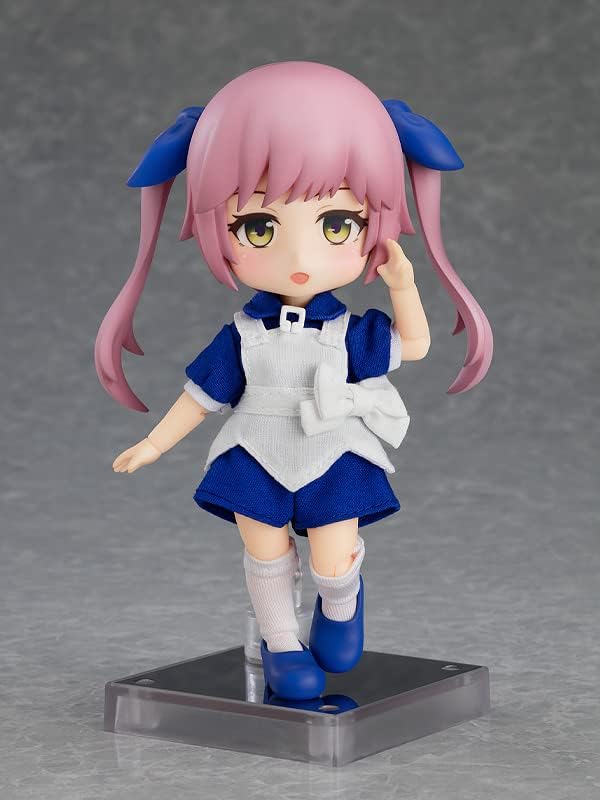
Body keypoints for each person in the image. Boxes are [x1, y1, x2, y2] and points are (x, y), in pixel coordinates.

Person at [96, 62, 493, 700]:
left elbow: (414, 345)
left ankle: (341, 603)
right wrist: (155, 443)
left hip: (333, 449)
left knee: (334, 555)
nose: (301, 260)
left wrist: (404, 286)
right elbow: (201, 396)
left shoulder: (349, 331)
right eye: (259, 228)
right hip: (255, 450)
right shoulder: (241, 334)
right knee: (266, 553)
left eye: (337, 225)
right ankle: (281, 647)